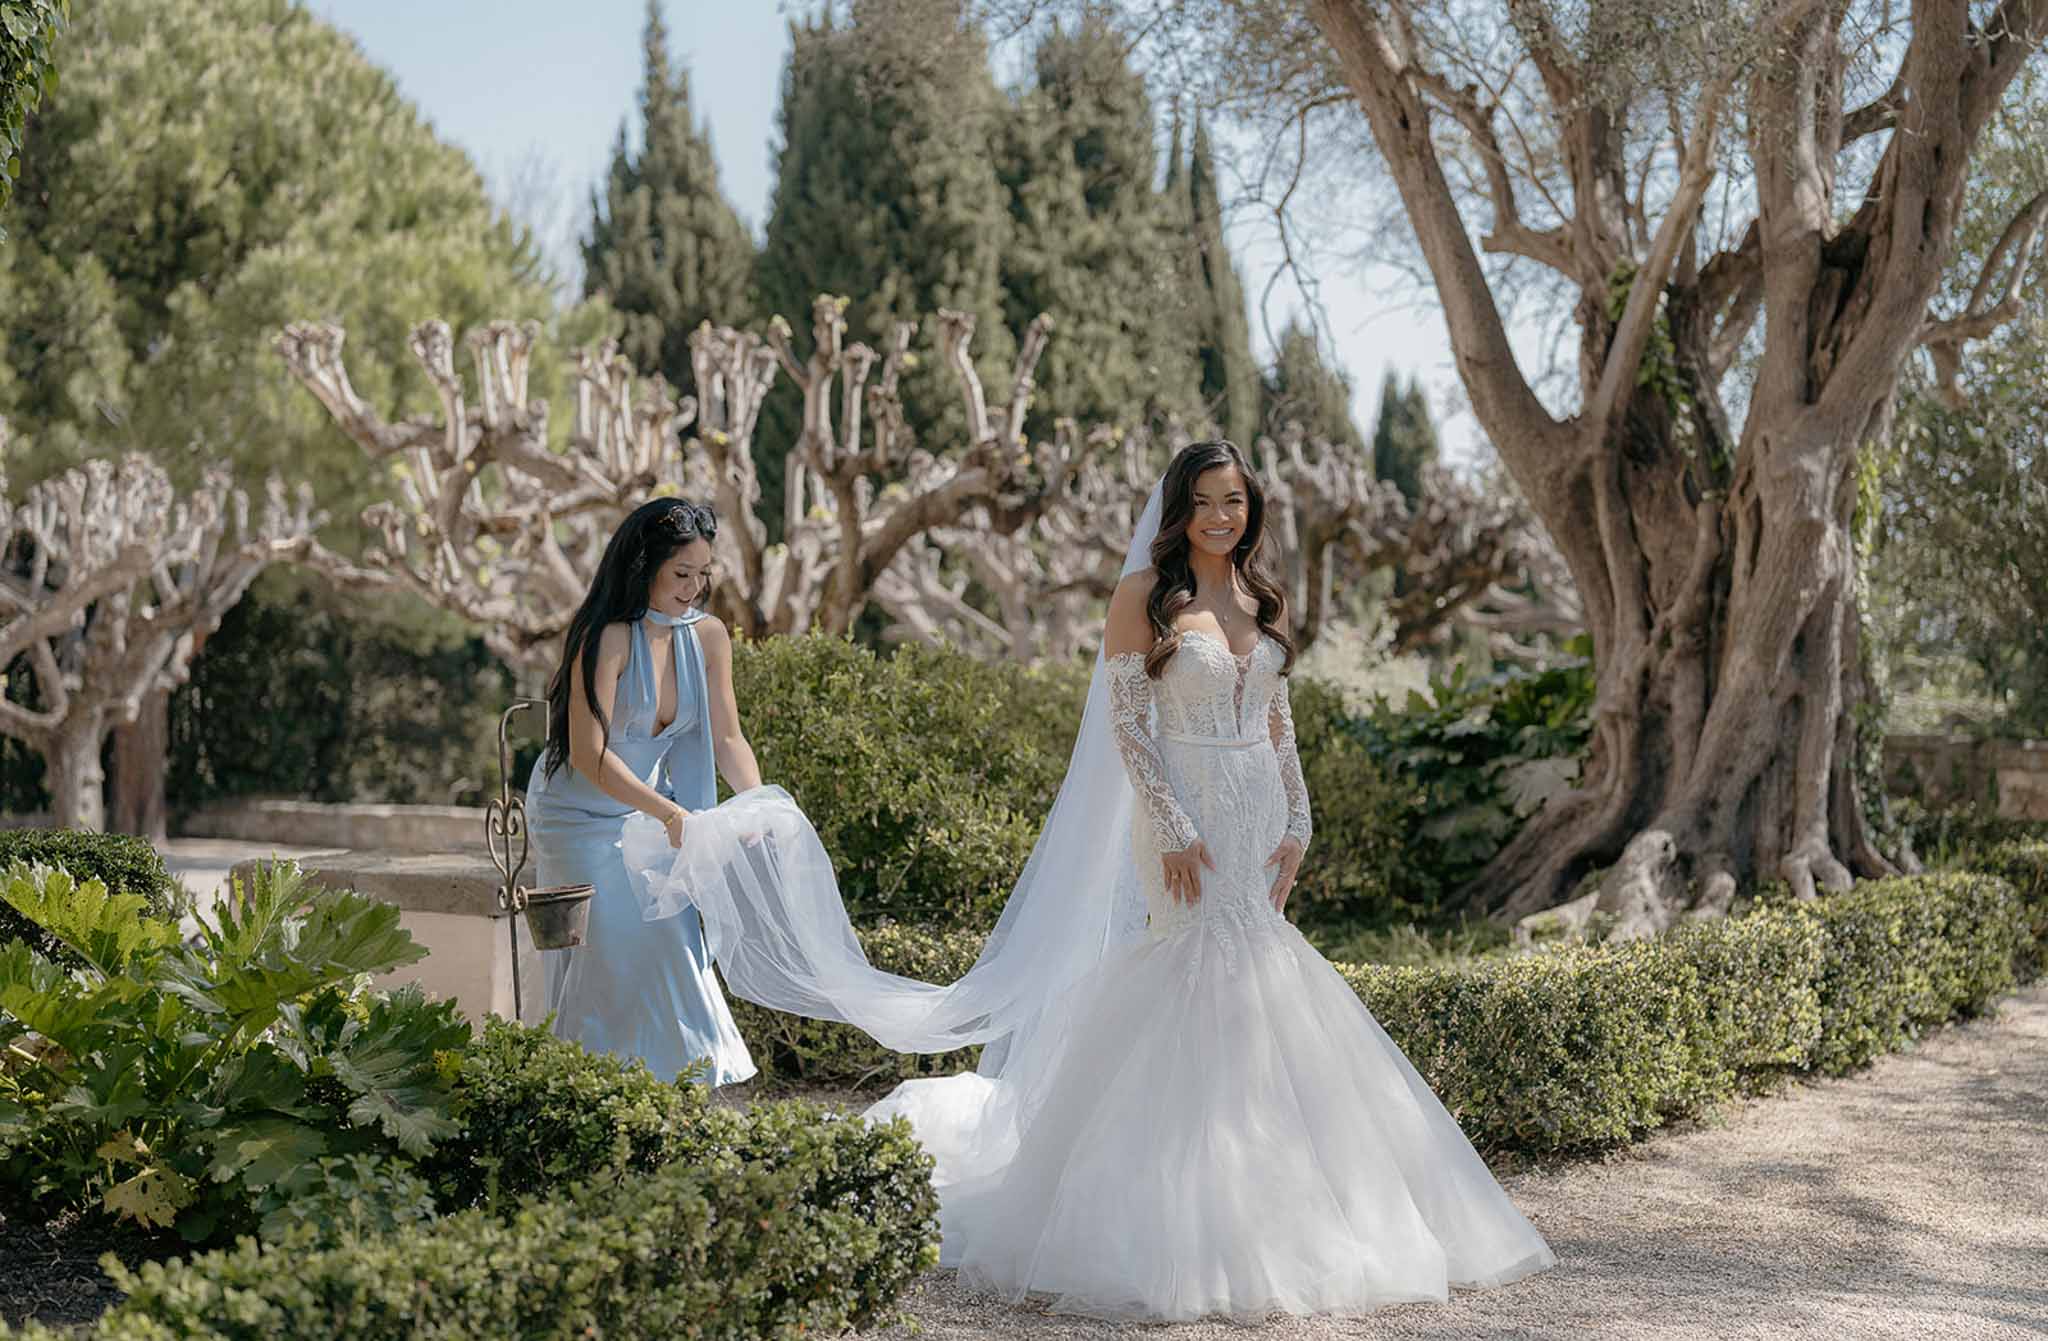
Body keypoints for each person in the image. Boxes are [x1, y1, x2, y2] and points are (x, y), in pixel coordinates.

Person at [624, 443, 1554, 1321]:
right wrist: (1177, 826)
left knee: (1264, 973)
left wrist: (1299, 822)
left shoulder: (1264, 596)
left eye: (1234, 502)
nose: (1220, 517)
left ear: (1252, 509)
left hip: (1257, 810)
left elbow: (1280, 722)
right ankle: (1169, 1207)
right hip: (1180, 812)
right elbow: (1129, 723)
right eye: (1203, 504)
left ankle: (1280, 1185)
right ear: (1179, 512)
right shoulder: (1148, 595)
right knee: (1192, 963)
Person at [525, 497, 758, 1087]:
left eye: (703, 575)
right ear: (643, 566)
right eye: (681, 574)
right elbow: (588, 753)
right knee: (612, 952)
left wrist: (758, 806)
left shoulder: (707, 638)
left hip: (648, 818)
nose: (694, 589)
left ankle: (675, 1095)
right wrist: (670, 814)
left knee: (672, 945)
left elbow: (728, 738)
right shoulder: (605, 638)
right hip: (576, 817)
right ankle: (586, 1089)